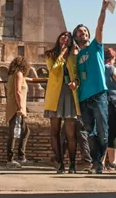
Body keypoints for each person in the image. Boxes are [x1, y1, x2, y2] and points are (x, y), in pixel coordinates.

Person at [73, 0, 111, 174]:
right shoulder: (78, 57)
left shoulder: (96, 46)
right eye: (80, 32)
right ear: (76, 37)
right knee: (90, 133)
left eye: (85, 31)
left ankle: (99, 160)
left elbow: (100, 27)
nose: (83, 33)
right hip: (83, 97)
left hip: (98, 94)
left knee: (103, 132)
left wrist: (103, 10)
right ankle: (97, 162)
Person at [43, 31, 81, 174]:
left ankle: (72, 164)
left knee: (71, 133)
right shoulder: (50, 55)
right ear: (59, 39)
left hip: (70, 94)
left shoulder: (74, 56)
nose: (65, 38)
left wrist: (76, 82)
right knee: (55, 131)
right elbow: (53, 71)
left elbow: (78, 73)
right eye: (63, 36)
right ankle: (60, 164)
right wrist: (62, 53)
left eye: (68, 37)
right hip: (55, 95)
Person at [5, 56, 31, 169]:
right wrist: (21, 107)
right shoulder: (19, 74)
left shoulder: (13, 74)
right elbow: (18, 91)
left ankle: (21, 156)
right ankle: (11, 159)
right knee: (15, 134)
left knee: (24, 132)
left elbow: (20, 82)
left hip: (12, 106)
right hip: (17, 108)